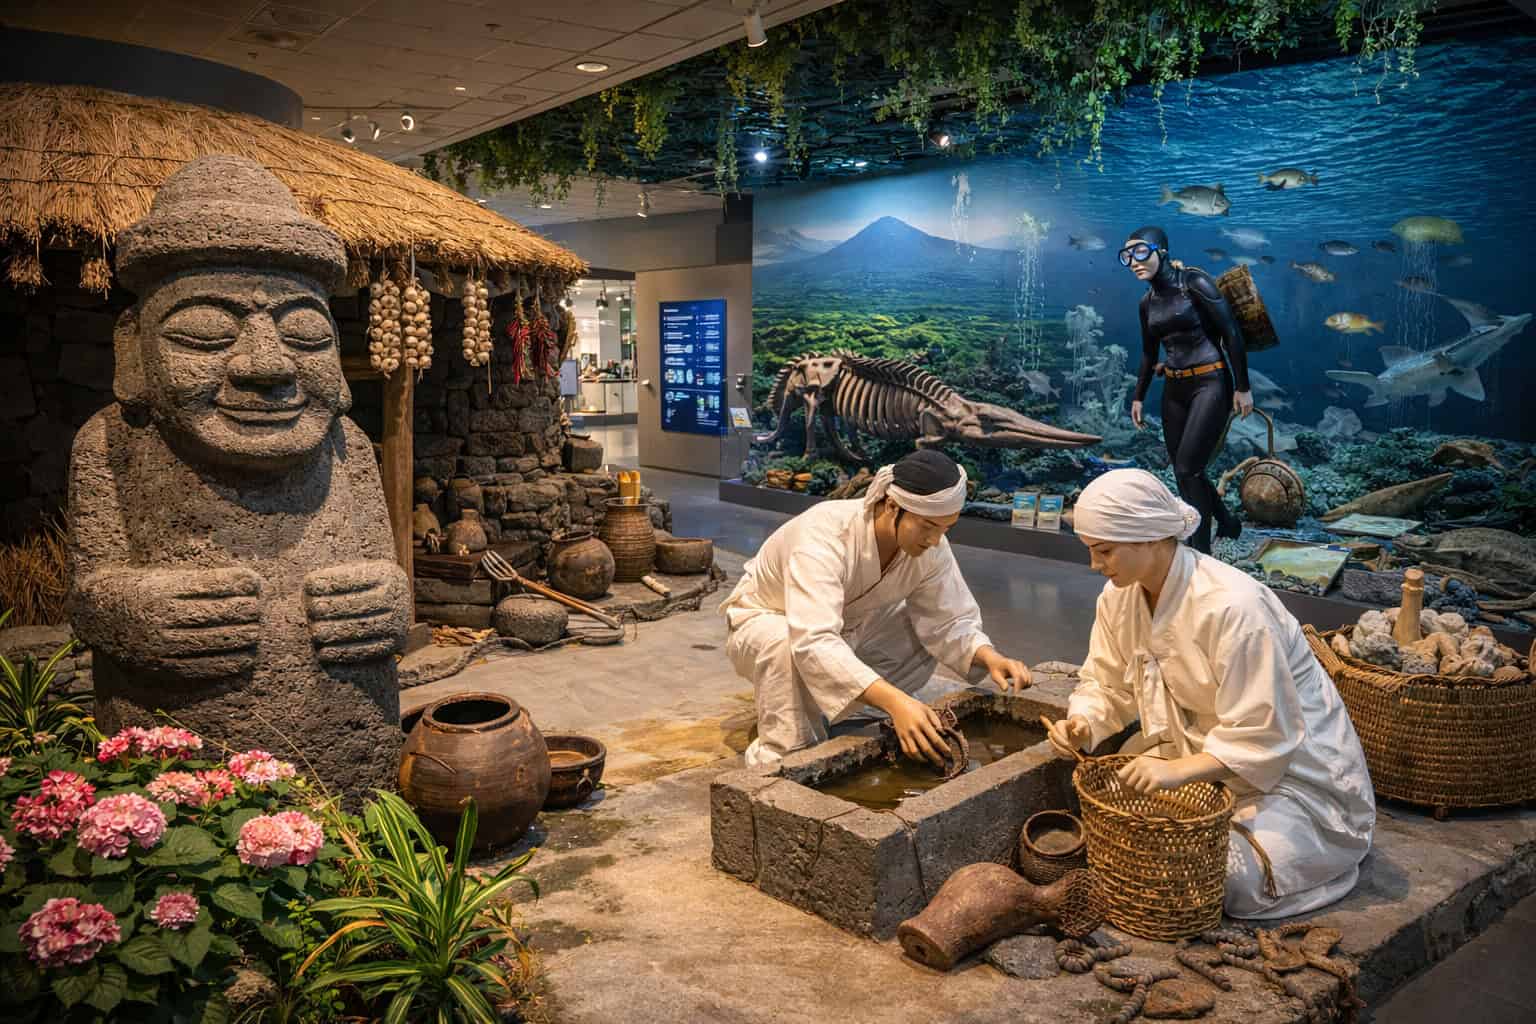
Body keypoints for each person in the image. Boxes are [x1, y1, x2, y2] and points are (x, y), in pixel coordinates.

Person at [1046, 469, 1374, 918]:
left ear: (1147, 538)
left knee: (1219, 878)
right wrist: (1083, 723)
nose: (1095, 565)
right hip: (1202, 749)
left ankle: (1325, 861)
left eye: (1103, 551)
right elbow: (1106, 682)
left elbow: (1267, 734)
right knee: (1117, 819)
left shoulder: (1234, 608)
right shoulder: (1118, 598)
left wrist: (1180, 771)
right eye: (1091, 551)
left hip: (1293, 773)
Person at [721, 450, 1032, 768]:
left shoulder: (931, 546)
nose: (936, 540)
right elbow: (813, 639)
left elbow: (948, 620)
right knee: (785, 644)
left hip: (847, 628)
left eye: (946, 528)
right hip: (767, 623)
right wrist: (896, 701)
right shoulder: (823, 535)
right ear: (893, 506)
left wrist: (989, 656)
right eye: (928, 526)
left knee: (920, 627)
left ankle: (850, 716)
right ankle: (782, 758)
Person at [1122, 226, 1251, 554]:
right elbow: (1150, 352)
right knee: (1184, 470)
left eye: (1140, 252)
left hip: (1210, 382)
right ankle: (1227, 521)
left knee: (1187, 468)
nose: (1133, 261)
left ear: (1161, 251)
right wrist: (1139, 395)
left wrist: (1243, 387)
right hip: (1175, 389)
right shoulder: (1145, 302)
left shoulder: (1194, 282)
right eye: (1127, 256)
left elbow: (1231, 333)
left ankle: (1199, 553)